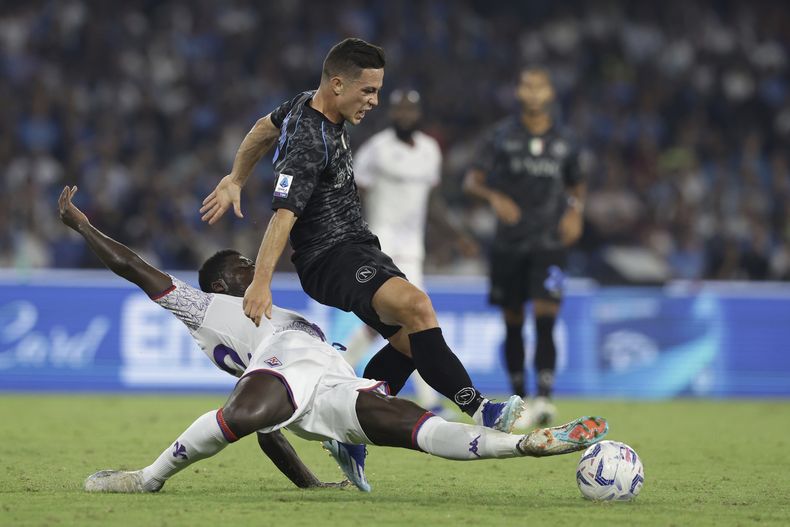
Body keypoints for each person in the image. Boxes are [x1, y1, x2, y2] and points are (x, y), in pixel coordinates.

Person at [58, 186, 609, 494]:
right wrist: (83, 226)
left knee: (418, 421)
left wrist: (312, 486)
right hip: (282, 368)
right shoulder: (206, 307)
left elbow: (272, 436)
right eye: (245, 264)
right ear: (223, 283)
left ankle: (525, 444)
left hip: (332, 381)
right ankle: (147, 479)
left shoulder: (281, 313)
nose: (256, 266)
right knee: (249, 410)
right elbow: (134, 267)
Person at [199, 38, 523, 431]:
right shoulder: (309, 141)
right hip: (331, 257)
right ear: (337, 84)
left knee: (409, 340)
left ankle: (351, 427)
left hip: (356, 247)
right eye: (368, 90)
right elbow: (283, 216)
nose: (374, 101)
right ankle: (482, 410)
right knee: (417, 306)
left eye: (377, 91)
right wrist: (261, 283)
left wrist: (235, 178)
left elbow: (262, 129)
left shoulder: (303, 103)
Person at [464, 67, 588, 426]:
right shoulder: (501, 136)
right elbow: (472, 180)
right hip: (510, 244)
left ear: (550, 93)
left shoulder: (566, 140)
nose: (533, 93)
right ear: (519, 92)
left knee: (547, 317)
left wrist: (575, 212)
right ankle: (519, 396)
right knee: (513, 322)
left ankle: (545, 397)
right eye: (527, 87)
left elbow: (577, 183)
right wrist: (494, 196)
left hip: (551, 242)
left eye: (539, 87)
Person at [343, 89, 477, 413]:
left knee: (392, 326)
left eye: (410, 110)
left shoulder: (430, 151)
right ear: (391, 113)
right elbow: (352, 194)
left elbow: (431, 203)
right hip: (380, 246)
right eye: (399, 109)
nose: (405, 115)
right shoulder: (376, 149)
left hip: (412, 250)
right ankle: (430, 400)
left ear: (419, 114)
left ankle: (336, 369)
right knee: (412, 323)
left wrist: (456, 236)